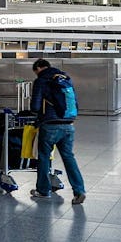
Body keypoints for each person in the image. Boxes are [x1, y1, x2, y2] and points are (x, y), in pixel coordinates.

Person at [29, 59, 86, 204]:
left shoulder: (41, 80)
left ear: (38, 68)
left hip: (50, 125)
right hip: (68, 124)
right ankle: (79, 190)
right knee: (69, 157)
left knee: (43, 157)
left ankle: (43, 190)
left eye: (35, 72)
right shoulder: (65, 78)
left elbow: (35, 106)